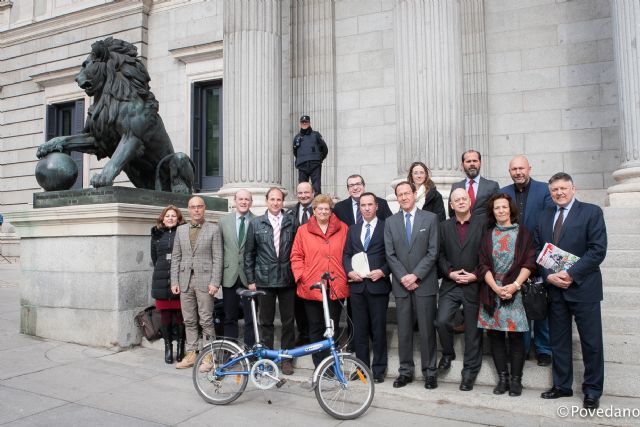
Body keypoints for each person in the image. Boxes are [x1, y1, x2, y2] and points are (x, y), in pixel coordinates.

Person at [537, 173, 607, 410]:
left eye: (563, 188)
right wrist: (549, 276)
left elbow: (597, 251)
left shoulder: (591, 212)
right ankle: (562, 386)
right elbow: (540, 251)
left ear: (573, 189)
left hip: (584, 288)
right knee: (559, 342)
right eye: (554, 189)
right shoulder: (544, 216)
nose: (559, 193)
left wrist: (571, 274)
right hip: (555, 290)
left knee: (592, 343)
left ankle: (592, 391)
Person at [477, 193, 536, 397]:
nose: (501, 211)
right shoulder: (487, 235)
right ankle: (503, 379)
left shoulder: (524, 234)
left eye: (504, 207)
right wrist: (495, 288)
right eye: (496, 208)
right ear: (492, 212)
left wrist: (514, 286)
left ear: (510, 209)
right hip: (492, 291)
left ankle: (516, 380)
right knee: (495, 337)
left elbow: (530, 262)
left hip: (516, 291)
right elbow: (483, 265)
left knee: (517, 338)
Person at [384, 181, 439, 390]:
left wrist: (415, 275)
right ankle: (405, 371)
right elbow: (390, 254)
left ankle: (430, 373)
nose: (404, 197)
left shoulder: (431, 219)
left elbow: (433, 252)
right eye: (400, 194)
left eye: (407, 193)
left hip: (424, 284)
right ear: (397, 197)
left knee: (426, 330)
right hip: (401, 285)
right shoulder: (390, 222)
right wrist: (404, 277)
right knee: (404, 331)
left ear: (415, 194)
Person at [501, 155, 554, 366]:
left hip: (539, 256)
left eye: (521, 168)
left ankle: (543, 348)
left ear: (529, 168)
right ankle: (521, 349)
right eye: (514, 169)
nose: (518, 172)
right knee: (519, 305)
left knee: (540, 302)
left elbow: (549, 221)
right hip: (513, 259)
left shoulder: (544, 190)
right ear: (510, 171)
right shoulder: (504, 192)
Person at [291, 194, 349, 367]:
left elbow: (349, 253)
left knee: (333, 326)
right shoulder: (303, 230)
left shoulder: (343, 228)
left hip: (335, 285)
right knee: (315, 327)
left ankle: (332, 364)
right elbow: (296, 256)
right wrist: (302, 276)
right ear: (314, 211)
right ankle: (320, 365)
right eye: (319, 208)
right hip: (312, 286)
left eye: (327, 209)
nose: (323, 212)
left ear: (331, 211)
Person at [244, 187, 297, 375]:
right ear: (267, 201)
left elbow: (298, 250)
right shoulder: (256, 223)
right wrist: (251, 279)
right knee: (265, 321)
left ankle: (286, 358)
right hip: (264, 280)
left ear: (283, 202)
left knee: (288, 321)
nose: (275, 203)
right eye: (272, 199)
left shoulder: (292, 222)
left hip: (287, 279)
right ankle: (266, 358)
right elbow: (249, 254)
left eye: (279, 200)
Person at [435, 189, 484, 391]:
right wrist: (450, 273)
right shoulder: (444, 226)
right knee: (442, 320)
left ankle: (469, 372)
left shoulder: (482, 224)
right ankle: (448, 353)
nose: (461, 202)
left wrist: (476, 274)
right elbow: (439, 255)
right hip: (451, 283)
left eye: (464, 199)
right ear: (452, 205)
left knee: (473, 330)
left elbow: (487, 253)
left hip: (474, 283)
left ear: (470, 201)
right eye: (457, 200)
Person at [343, 192, 391, 383]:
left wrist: (383, 271)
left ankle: (379, 370)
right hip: (357, 288)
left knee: (378, 330)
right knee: (360, 331)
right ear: (359, 207)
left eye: (370, 204)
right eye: (363, 205)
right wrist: (349, 271)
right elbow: (346, 254)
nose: (367, 208)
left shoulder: (386, 227)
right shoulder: (353, 229)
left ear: (376, 206)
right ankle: (361, 369)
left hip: (378, 286)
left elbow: (392, 255)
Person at [170, 196, 223, 369]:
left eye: (199, 206)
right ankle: (191, 354)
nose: (196, 210)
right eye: (193, 207)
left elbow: (218, 257)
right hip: (185, 281)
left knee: (206, 320)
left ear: (204, 208)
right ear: (188, 209)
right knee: (189, 320)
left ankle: (209, 357)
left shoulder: (214, 229)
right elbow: (176, 257)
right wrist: (174, 281)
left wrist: (215, 282)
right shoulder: (181, 230)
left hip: (205, 281)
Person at [219, 189, 256, 347]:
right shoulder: (223, 221)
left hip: (250, 277)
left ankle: (249, 351)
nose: (243, 202)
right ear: (235, 201)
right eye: (240, 199)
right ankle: (230, 350)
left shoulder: (257, 221)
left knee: (251, 317)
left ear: (251, 202)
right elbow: (219, 250)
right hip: (229, 275)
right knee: (230, 316)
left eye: (247, 199)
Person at [150, 205, 187, 364]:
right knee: (165, 315)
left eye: (173, 216)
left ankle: (180, 346)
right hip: (161, 278)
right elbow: (154, 258)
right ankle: (167, 347)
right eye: (167, 216)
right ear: (163, 219)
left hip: (179, 278)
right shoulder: (157, 235)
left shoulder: (183, 233)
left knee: (180, 315)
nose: (170, 218)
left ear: (178, 219)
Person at [291, 181, 315, 346]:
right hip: (297, 265)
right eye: (300, 193)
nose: (304, 196)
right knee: (298, 304)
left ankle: (315, 335)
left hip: (316, 265)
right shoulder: (290, 213)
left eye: (306, 192)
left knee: (314, 304)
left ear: (313, 193)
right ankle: (303, 334)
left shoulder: (321, 210)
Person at [449, 150, 499, 220]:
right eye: (468, 161)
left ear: (480, 163)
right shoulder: (456, 187)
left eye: (475, 161)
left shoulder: (492, 186)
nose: (472, 164)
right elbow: (452, 212)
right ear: (462, 165)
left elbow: (497, 210)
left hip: (485, 228)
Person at [293, 115, 328, 195]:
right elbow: (295, 152)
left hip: (315, 165)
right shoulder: (297, 137)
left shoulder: (316, 135)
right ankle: (304, 205)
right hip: (302, 165)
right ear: (300, 124)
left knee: (316, 187)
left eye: (306, 122)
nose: (304, 123)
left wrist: (319, 159)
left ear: (309, 123)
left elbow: (325, 149)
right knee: (302, 187)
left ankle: (318, 205)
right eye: (303, 122)